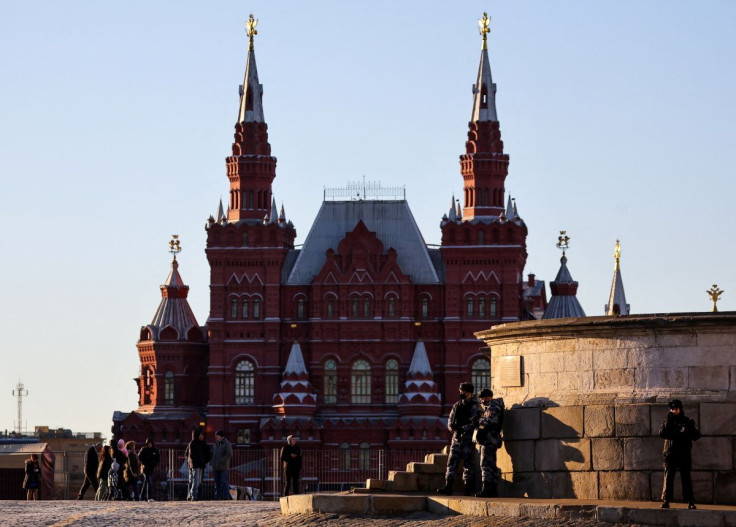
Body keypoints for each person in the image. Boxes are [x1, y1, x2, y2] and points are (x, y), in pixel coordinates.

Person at [437, 382, 480, 496]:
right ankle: (448, 487)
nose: (461, 393)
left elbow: (476, 422)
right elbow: (450, 420)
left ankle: (468, 488)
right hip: (456, 438)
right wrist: (452, 427)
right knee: (452, 462)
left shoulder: (474, 406)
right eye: (460, 391)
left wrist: (463, 428)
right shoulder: (457, 405)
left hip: (467, 439)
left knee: (468, 464)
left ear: (469, 393)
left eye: (463, 391)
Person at [659, 399, 700, 509]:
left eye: (675, 409)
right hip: (670, 453)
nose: (673, 411)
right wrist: (669, 421)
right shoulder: (668, 421)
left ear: (680, 409)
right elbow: (662, 433)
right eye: (672, 409)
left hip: (683, 453)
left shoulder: (687, 421)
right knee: (668, 478)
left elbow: (696, 435)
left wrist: (686, 432)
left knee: (686, 478)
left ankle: (690, 501)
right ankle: (666, 500)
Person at [473, 388, 505, 498]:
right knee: (490, 465)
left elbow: (492, 421)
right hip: (489, 439)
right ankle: (492, 489)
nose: (482, 401)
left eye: (483, 398)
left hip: (489, 439)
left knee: (485, 464)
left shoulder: (493, 406)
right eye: (481, 399)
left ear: (488, 397)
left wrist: (479, 421)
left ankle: (486, 489)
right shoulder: (490, 407)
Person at [186, 428, 211, 501]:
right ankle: (193, 496)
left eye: (202, 434)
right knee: (195, 481)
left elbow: (207, 454)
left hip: (201, 465)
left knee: (198, 482)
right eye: (200, 434)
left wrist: (204, 461)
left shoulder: (203, 443)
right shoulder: (193, 443)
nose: (201, 436)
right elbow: (191, 455)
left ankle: (191, 494)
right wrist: (193, 462)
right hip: (195, 465)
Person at [211, 430, 234, 500]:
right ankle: (218, 497)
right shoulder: (215, 444)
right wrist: (212, 461)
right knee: (217, 483)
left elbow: (229, 454)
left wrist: (222, 460)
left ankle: (226, 496)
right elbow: (212, 454)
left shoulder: (227, 444)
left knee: (224, 482)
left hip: (223, 467)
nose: (215, 437)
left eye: (217, 436)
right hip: (215, 467)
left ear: (221, 436)